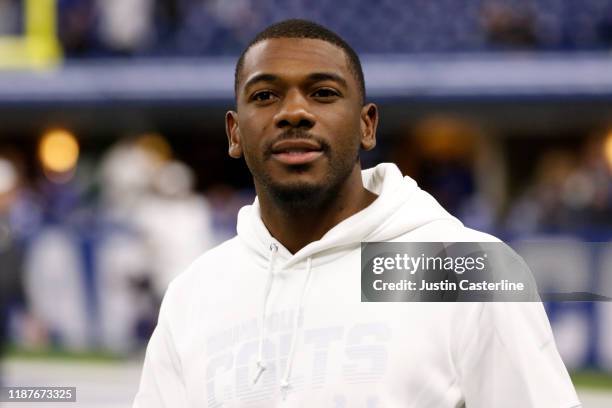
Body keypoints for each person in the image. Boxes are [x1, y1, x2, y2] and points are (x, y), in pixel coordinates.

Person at [134, 19, 580, 407]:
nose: (294, 112)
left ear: (367, 125)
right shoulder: (193, 294)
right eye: (266, 95)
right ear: (234, 132)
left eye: (323, 93)